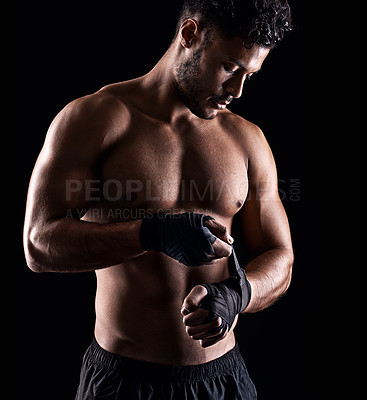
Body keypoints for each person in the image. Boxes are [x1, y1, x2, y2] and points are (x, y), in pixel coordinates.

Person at [23, 0, 294, 398]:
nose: (236, 90)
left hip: (223, 381)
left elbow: (281, 257)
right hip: (122, 382)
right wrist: (149, 233)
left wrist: (240, 294)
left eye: (249, 76)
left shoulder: (247, 140)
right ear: (189, 34)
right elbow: (38, 245)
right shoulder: (94, 120)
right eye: (230, 67)